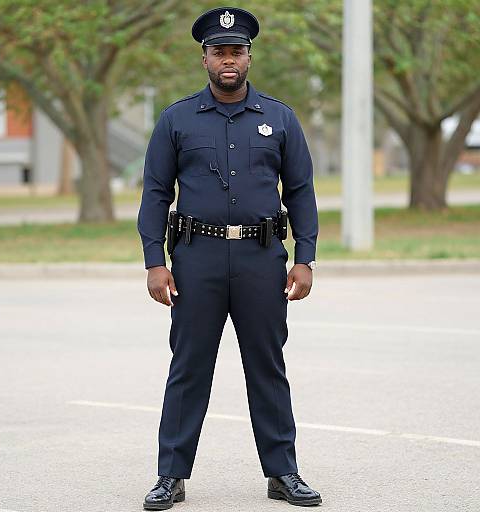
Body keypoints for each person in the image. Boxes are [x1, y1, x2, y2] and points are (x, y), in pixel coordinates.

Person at [137, 6, 321, 509]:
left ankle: (282, 472)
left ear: (248, 56)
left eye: (236, 51)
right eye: (219, 52)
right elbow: (155, 193)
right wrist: (156, 261)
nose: (228, 60)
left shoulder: (279, 118)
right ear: (205, 59)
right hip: (196, 259)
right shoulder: (176, 118)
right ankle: (170, 475)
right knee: (189, 367)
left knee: (267, 365)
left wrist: (304, 257)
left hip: (263, 260)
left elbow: (301, 192)